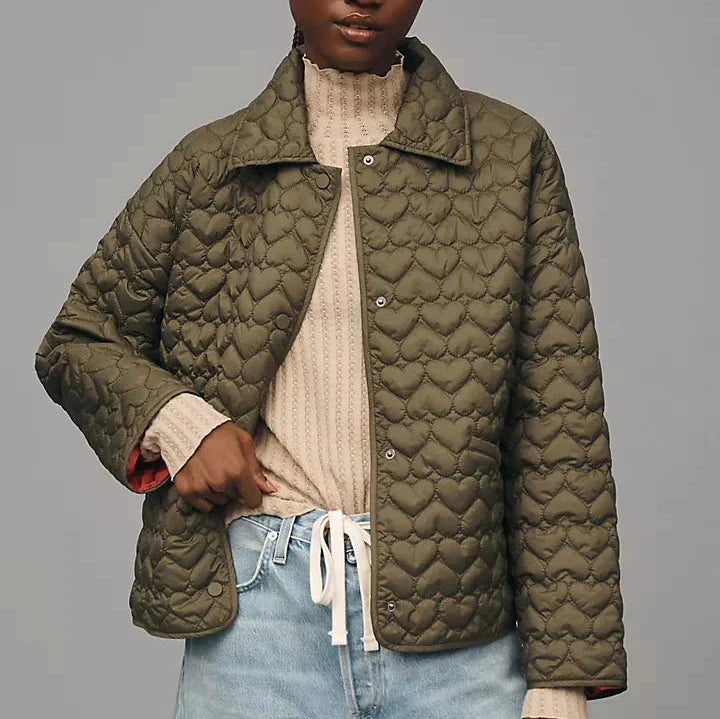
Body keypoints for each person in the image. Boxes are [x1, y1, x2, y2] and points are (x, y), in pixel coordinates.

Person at [34, 2, 628, 717]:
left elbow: (559, 427)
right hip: (260, 623)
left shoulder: (510, 155)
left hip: (462, 631)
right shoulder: (210, 167)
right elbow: (80, 337)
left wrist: (563, 672)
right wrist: (181, 422)